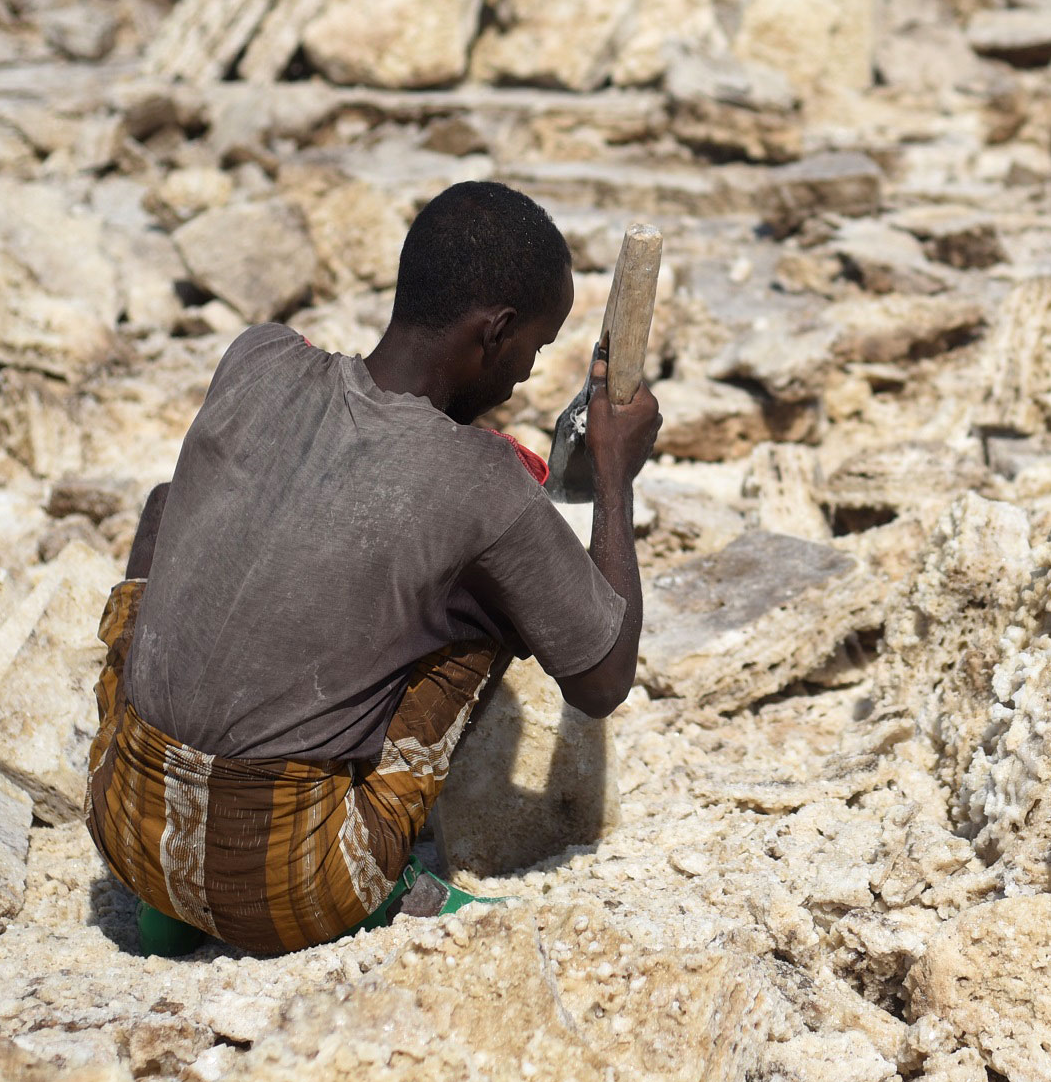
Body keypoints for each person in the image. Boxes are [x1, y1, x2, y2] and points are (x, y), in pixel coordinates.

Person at [87, 181, 662, 957]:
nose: (527, 373)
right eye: (533, 346)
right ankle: (382, 893)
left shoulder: (256, 356)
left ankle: (176, 901)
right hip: (288, 887)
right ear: (495, 331)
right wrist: (615, 473)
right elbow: (603, 680)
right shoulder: (482, 479)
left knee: (170, 505)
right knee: (491, 602)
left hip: (124, 829)